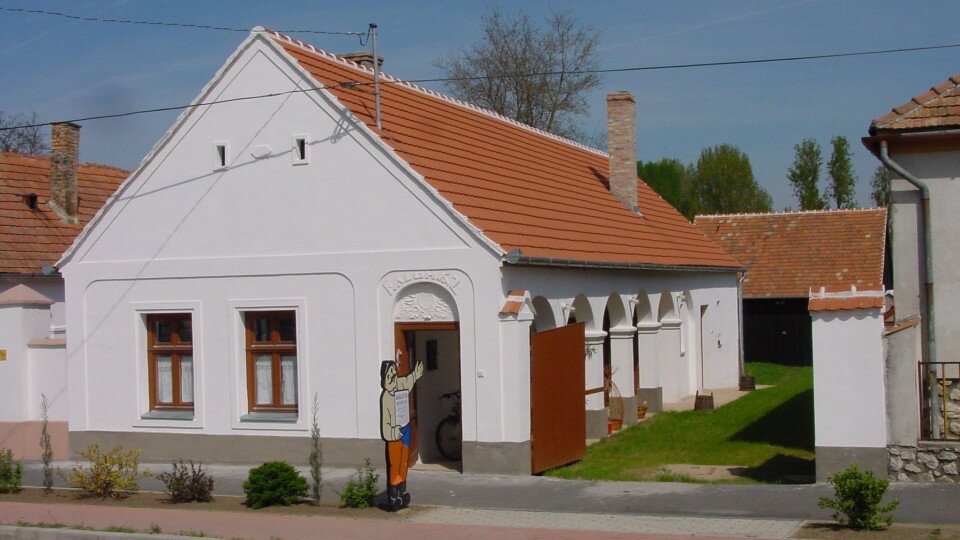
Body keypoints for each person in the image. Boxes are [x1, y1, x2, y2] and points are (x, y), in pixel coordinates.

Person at [380, 354, 424, 511]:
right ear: (385, 377)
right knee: (395, 464)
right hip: (394, 435)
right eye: (389, 374)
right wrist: (392, 432)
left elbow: (406, 382)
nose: (392, 376)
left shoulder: (399, 384)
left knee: (404, 463)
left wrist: (415, 375)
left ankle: (402, 492)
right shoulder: (386, 397)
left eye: (393, 372)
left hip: (404, 430)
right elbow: (386, 422)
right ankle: (393, 496)